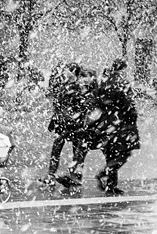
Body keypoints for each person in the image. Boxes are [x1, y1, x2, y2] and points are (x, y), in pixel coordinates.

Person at [40, 62, 98, 187]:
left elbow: (82, 106)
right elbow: (59, 105)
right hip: (63, 123)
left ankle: (75, 178)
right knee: (57, 148)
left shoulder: (78, 88)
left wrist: (77, 119)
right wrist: (55, 119)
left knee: (76, 151)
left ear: (74, 74)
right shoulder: (66, 85)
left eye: (68, 71)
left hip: (74, 125)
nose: (65, 73)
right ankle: (52, 175)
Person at [89, 58, 140, 195]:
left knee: (111, 153)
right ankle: (105, 174)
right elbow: (127, 103)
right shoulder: (121, 82)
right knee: (124, 153)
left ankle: (111, 186)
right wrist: (131, 116)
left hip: (108, 123)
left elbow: (98, 101)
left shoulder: (105, 82)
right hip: (120, 123)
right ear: (123, 68)